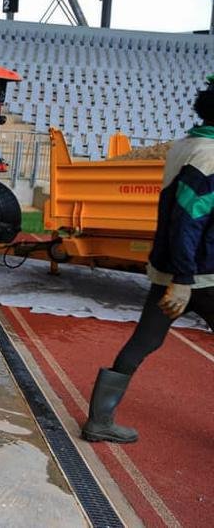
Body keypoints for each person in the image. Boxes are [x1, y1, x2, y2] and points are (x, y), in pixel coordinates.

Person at [81, 84, 214, 444]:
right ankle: (100, 422)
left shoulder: (187, 145)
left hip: (172, 267)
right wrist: (184, 280)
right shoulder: (209, 153)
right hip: (198, 274)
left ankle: (100, 421)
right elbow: (188, 220)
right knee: (145, 340)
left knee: (146, 340)